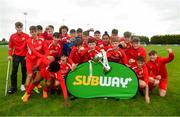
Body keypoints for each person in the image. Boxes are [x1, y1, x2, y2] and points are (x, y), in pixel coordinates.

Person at [8, 22, 29, 94]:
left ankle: (23, 85)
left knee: (24, 71)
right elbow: (10, 47)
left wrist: (27, 55)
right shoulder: (12, 36)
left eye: (20, 27)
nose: (19, 28)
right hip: (16, 56)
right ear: (15, 28)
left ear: (22, 28)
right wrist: (9, 55)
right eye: (17, 27)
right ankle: (13, 87)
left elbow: (29, 47)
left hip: (24, 56)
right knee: (14, 71)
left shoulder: (26, 36)